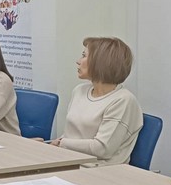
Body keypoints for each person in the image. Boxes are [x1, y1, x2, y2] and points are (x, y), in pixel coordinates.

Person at [50, 37, 143, 165]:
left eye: (84, 56)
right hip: (69, 160)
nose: (78, 61)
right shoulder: (79, 91)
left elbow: (102, 149)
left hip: (100, 169)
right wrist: (56, 143)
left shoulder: (123, 100)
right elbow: (70, 135)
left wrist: (62, 143)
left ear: (100, 62)